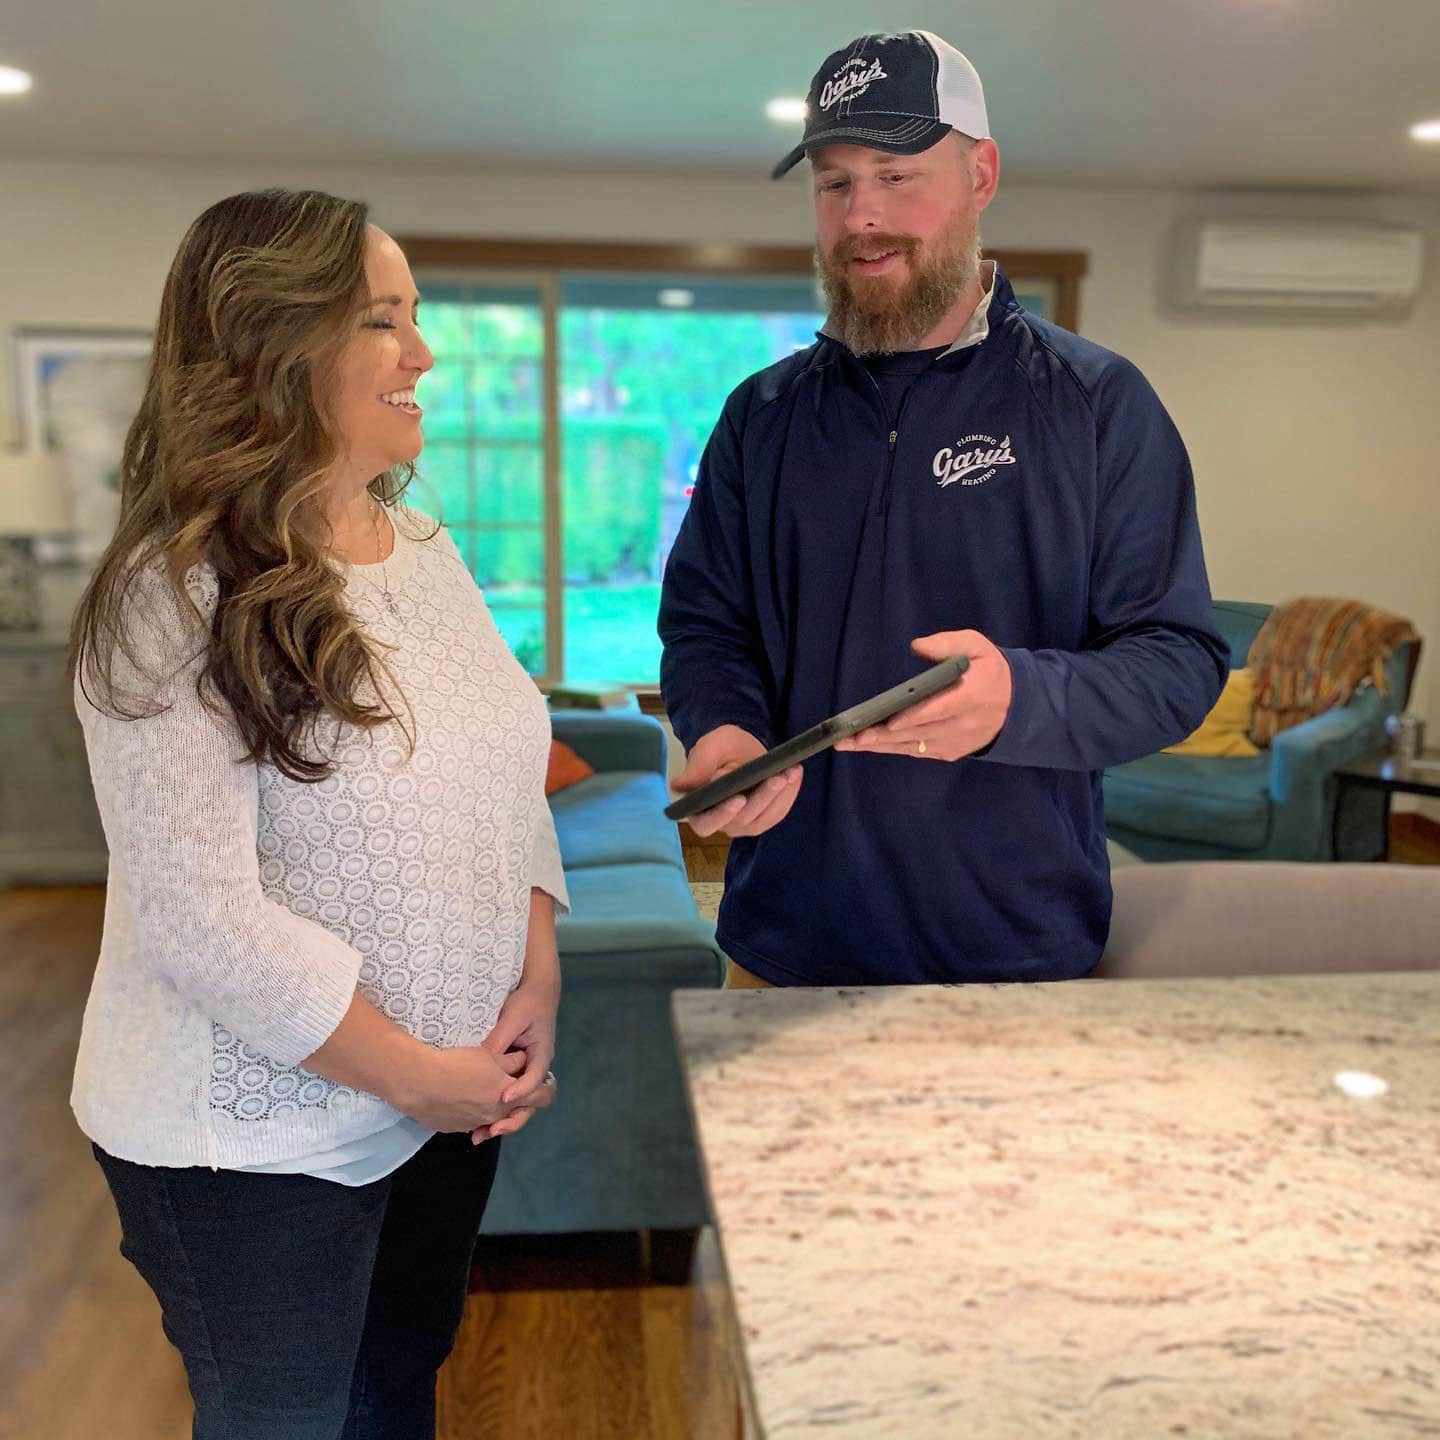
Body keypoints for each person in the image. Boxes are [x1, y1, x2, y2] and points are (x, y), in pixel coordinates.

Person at [68, 188, 566, 1438]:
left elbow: (505, 766)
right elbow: (203, 921)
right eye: (382, 320)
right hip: (257, 1147)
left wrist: (537, 969)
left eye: (414, 316)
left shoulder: (424, 544)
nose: (423, 354)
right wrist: (422, 1078)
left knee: (396, 1393)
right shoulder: (170, 595)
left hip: (442, 1107)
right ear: (273, 345)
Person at [659, 31, 1228, 988]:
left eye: (896, 175)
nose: (862, 215)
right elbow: (706, 626)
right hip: (783, 942)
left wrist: (1022, 699)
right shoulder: (762, 416)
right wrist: (725, 727)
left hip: (1016, 952)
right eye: (835, 183)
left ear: (981, 174)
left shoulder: (1095, 403)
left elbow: (1179, 660)